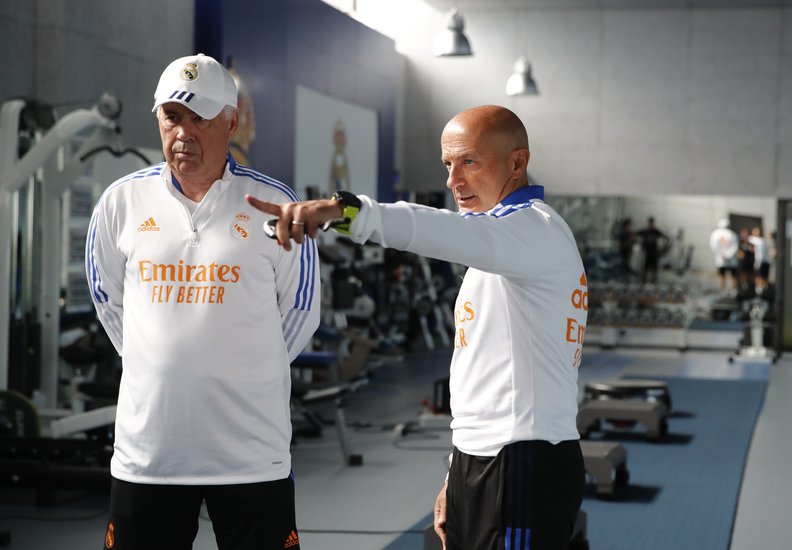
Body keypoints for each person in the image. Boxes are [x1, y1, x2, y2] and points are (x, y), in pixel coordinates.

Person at [247, 105, 586, 550]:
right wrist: (455, 476)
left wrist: (344, 212)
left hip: (524, 462)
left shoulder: (532, 230)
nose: (453, 180)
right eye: (448, 165)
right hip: (483, 459)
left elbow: (433, 228)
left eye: (469, 162)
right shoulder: (503, 244)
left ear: (517, 162)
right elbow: (484, 377)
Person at [85, 53, 319, 550]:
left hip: (251, 453)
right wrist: (155, 362)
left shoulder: (276, 205)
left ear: (231, 123)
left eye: (200, 118)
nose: (183, 133)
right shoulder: (120, 203)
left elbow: (301, 311)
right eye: (172, 116)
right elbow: (107, 298)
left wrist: (245, 368)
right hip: (149, 454)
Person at [709, 218, 738, 293]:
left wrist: (721, 255)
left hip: (721, 259)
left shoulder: (715, 233)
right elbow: (734, 247)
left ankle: (724, 290)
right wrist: (727, 255)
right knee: (731, 275)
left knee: (723, 275)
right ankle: (731, 290)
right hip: (730, 259)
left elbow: (714, 246)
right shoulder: (732, 234)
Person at [636, 217, 668, 284]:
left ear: (653, 223)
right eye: (650, 223)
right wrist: (640, 243)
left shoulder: (656, 231)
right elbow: (636, 234)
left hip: (654, 252)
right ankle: (644, 281)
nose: (651, 224)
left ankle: (654, 281)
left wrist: (662, 248)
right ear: (649, 223)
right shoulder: (645, 231)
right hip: (647, 252)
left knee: (654, 268)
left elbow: (665, 237)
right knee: (646, 267)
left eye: (652, 223)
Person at [749, 227, 770, 295]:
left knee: (760, 276)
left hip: (761, 261)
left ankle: (759, 291)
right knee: (763, 276)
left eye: (755, 231)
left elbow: (749, 239)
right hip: (765, 261)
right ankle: (763, 290)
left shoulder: (759, 241)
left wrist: (757, 263)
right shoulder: (764, 240)